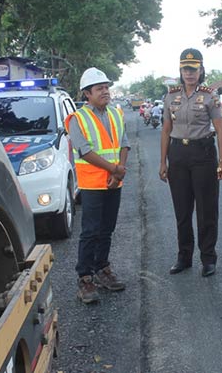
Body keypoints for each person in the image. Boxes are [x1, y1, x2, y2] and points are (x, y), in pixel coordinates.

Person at [64, 67, 131, 304]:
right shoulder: (77, 119)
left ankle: (102, 268)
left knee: (107, 229)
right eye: (99, 88)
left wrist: (119, 169)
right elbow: (85, 151)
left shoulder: (115, 113)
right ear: (87, 94)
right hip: (93, 184)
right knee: (90, 231)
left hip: (114, 182)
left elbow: (124, 143)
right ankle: (85, 277)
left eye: (106, 87)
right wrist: (114, 169)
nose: (105, 92)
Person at [160, 48, 222, 277]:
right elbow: (166, 130)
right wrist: (163, 162)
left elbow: (220, 129)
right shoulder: (171, 96)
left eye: (194, 69)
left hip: (203, 153)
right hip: (177, 154)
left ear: (201, 70)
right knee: (182, 210)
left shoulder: (210, 97)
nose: (189, 73)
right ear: (180, 70)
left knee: (207, 210)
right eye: (186, 69)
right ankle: (183, 257)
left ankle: (208, 258)